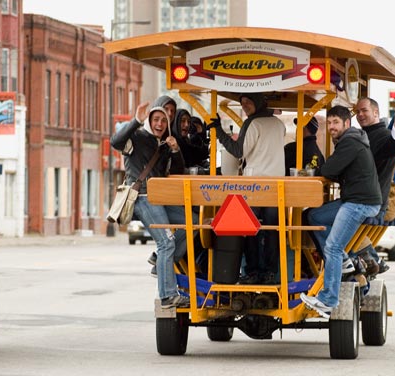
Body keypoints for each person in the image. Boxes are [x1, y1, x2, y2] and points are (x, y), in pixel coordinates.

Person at [300, 105, 381, 319]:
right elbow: (335, 170)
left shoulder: (350, 142)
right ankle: (344, 262)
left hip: (359, 203)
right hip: (354, 199)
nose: (332, 127)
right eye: (330, 123)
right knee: (314, 216)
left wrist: (315, 172)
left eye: (336, 122)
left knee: (333, 247)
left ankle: (328, 301)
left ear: (347, 123)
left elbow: (328, 170)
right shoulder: (351, 140)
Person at [110, 101, 189, 309]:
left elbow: (178, 171)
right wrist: (136, 120)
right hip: (142, 197)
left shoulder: (163, 146)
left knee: (192, 224)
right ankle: (167, 295)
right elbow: (115, 141)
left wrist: (175, 150)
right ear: (149, 121)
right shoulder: (136, 138)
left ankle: (159, 263)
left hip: (158, 198)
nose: (160, 123)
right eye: (156, 119)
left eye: (164, 120)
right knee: (167, 243)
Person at [208, 93, 286, 284]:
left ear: (259, 102)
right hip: (277, 186)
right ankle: (271, 273)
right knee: (273, 230)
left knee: (249, 229)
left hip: (255, 186)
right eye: (242, 103)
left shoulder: (252, 123)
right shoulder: (278, 124)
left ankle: (252, 271)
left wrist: (218, 131)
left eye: (248, 102)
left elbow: (238, 151)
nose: (245, 106)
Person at [353, 96, 395, 273]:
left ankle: (370, 257)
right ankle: (366, 265)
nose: (360, 115)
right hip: (368, 200)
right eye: (357, 112)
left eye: (364, 110)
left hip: (371, 202)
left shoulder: (381, 135)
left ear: (376, 112)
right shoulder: (365, 135)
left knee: (325, 222)